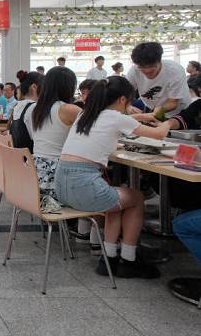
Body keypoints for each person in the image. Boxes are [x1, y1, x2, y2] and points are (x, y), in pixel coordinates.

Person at [55, 76, 170, 279]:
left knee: (116, 198)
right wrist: (170, 121)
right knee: (136, 198)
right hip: (83, 188)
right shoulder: (117, 118)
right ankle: (128, 259)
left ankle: (108, 258)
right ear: (123, 99)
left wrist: (141, 117)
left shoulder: (87, 115)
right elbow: (160, 134)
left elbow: (113, 128)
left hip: (62, 187)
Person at [31, 67, 81, 196]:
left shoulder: (37, 109)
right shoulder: (68, 109)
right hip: (58, 176)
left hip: (34, 174)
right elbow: (96, 128)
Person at [127, 42, 191, 117]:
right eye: (142, 66)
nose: (147, 70)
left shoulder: (174, 71)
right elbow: (125, 94)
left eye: (151, 66)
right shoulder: (134, 71)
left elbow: (173, 103)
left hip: (179, 111)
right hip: (152, 107)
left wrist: (151, 114)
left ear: (159, 61)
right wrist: (128, 106)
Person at [10, 71, 43, 151]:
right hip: (31, 155)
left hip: (19, 154)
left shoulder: (18, 106)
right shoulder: (33, 107)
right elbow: (38, 138)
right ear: (34, 87)